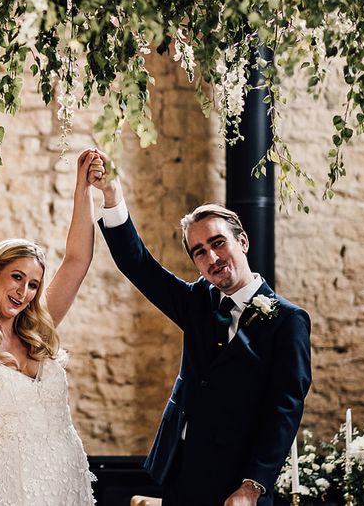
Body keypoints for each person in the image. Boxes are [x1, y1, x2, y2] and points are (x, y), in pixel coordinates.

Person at [90, 153, 311, 506]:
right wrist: (112, 195)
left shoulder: (288, 320)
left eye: (217, 243)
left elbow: (284, 409)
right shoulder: (197, 301)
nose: (211, 258)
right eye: (199, 252)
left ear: (243, 242)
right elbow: (139, 265)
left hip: (239, 485)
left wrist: (252, 486)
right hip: (181, 473)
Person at [0, 150, 102, 506]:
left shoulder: (38, 331)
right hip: (8, 487)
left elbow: (77, 260)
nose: (23, 292)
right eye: (16, 277)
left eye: (32, 284)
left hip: (65, 482)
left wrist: (82, 188)